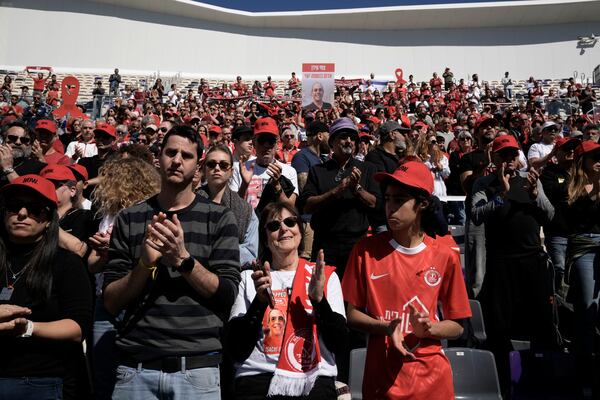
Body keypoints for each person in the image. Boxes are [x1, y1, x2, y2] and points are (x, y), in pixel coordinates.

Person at [103, 125, 241, 399]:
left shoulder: (221, 218)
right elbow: (110, 302)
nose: (177, 160)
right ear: (159, 158)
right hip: (136, 368)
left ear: (197, 166)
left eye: (186, 155)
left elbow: (227, 295)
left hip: (197, 368)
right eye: (171, 152)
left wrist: (183, 260)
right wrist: (144, 265)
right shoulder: (130, 218)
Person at [342, 161, 471, 399]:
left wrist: (430, 328)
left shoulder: (445, 254)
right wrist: (386, 327)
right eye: (388, 199)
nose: (390, 207)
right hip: (382, 381)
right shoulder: (365, 250)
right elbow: (352, 314)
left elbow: (457, 326)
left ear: (422, 204)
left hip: (432, 382)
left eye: (399, 200)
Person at [228, 203, 347, 399]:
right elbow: (236, 348)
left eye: (290, 222)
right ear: (265, 239)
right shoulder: (250, 278)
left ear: (300, 230)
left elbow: (340, 343)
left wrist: (319, 302)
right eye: (274, 226)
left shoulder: (324, 276)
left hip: (314, 381)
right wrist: (259, 302)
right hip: (259, 380)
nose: (284, 229)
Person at [471, 135, 557, 392]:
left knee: (541, 324)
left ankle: (541, 381)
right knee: (499, 327)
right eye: (503, 156)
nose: (509, 161)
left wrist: (534, 194)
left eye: (512, 155)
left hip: (532, 261)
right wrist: (502, 196)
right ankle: (504, 383)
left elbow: (550, 215)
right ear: (494, 158)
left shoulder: (531, 180)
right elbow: (476, 215)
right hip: (501, 264)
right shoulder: (483, 184)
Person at [0, 174, 92, 399]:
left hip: (41, 381)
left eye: (34, 209)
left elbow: (78, 327)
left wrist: (27, 328)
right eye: (14, 207)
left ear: (49, 219)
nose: (22, 214)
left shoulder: (66, 263)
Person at [300, 117, 379, 277]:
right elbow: (307, 205)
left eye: (352, 138)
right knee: (324, 293)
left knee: (354, 299)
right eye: (343, 137)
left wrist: (357, 188)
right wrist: (336, 191)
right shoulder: (318, 170)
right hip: (325, 244)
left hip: (357, 244)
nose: (348, 141)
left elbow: (376, 204)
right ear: (332, 142)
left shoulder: (368, 169)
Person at [565, 140, 600, 398]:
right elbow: (575, 216)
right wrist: (596, 188)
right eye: (594, 157)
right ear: (583, 162)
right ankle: (584, 372)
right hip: (585, 249)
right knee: (587, 308)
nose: (598, 160)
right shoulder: (573, 187)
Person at [197, 144, 258, 269]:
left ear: (231, 172)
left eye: (223, 165)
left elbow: (251, 251)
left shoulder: (245, 210)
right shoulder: (188, 200)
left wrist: (217, 254)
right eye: (211, 164)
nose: (217, 168)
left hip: (230, 275)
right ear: (204, 169)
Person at [230, 117, 298, 213]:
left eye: (270, 141)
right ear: (254, 143)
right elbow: (233, 206)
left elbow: (290, 209)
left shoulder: (289, 171)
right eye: (262, 140)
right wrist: (244, 185)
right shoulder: (240, 169)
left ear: (276, 144)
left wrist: (277, 187)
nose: (266, 146)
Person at [0, 120, 46, 187]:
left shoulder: (39, 168)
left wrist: (8, 169)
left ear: (30, 144)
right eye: (13, 138)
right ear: (3, 141)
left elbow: (26, 194)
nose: (18, 142)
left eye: (24, 140)